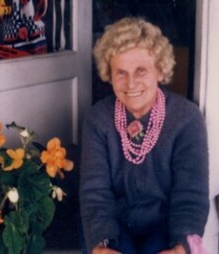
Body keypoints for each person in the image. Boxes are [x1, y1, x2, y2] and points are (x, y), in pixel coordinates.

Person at [79, 17, 209, 254]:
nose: (131, 83)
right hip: (113, 229)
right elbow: (94, 194)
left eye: (141, 70)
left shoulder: (187, 118)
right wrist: (101, 244)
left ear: (160, 71)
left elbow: (191, 194)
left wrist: (181, 247)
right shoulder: (97, 120)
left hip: (167, 229)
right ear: (108, 74)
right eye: (121, 72)